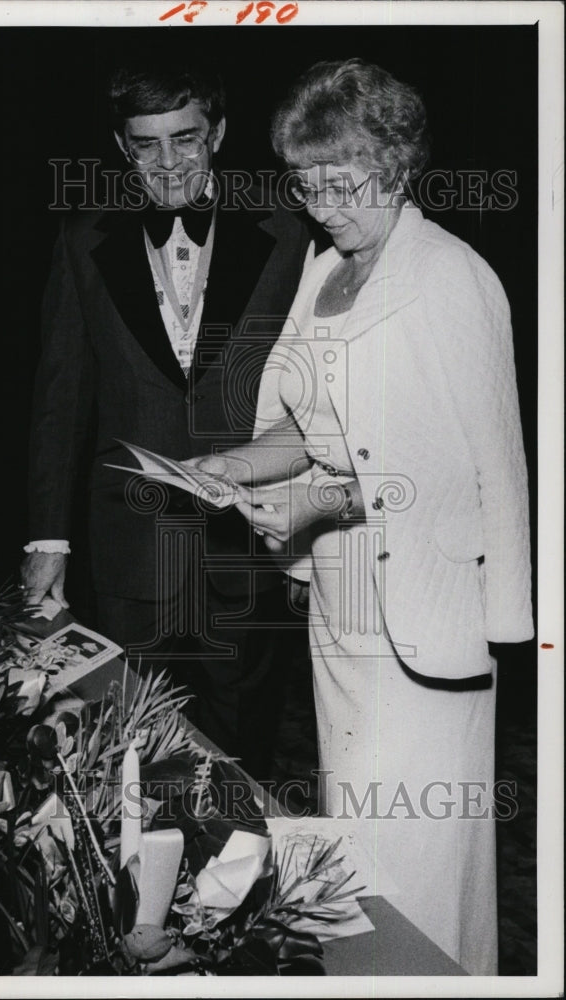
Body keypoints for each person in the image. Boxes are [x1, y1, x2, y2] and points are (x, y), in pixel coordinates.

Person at [190, 58, 533, 974]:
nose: (320, 204)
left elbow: (473, 464)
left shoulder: (453, 277)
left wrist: (316, 499)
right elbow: (301, 424)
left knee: (419, 864)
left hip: (424, 613)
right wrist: (231, 466)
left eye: (339, 183)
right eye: (304, 185)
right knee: (355, 852)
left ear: (395, 164)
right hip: (339, 606)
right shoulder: (323, 269)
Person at [22, 58, 312, 779]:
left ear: (216, 132)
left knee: (242, 756)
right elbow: (61, 399)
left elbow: (324, 393)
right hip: (128, 539)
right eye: (145, 144)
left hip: (247, 539)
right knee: (130, 757)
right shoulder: (82, 239)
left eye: (184, 138)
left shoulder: (291, 231)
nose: (167, 161)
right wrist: (47, 538)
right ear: (122, 148)